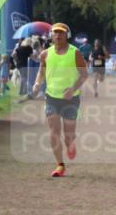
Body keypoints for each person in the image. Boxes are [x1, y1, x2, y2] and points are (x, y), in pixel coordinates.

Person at [31, 23, 88, 177]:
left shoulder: (75, 53)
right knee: (54, 132)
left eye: (61, 33)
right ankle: (60, 165)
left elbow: (84, 74)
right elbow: (41, 72)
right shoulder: (45, 54)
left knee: (68, 136)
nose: (58, 35)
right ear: (51, 35)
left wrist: (73, 89)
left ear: (66, 35)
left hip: (71, 99)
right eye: (55, 32)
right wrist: (37, 83)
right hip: (51, 98)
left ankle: (70, 143)